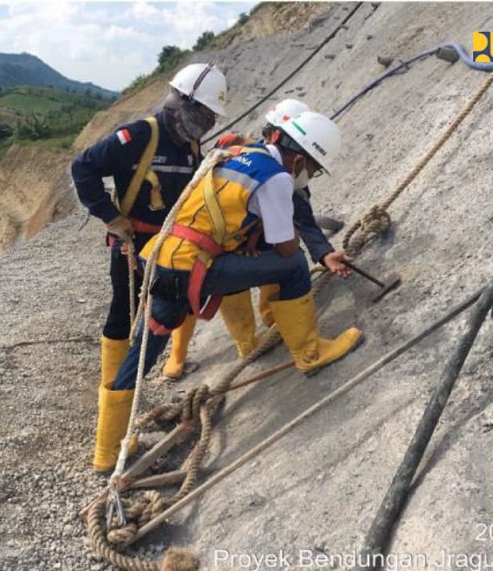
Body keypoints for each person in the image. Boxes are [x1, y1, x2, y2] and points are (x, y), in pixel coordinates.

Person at [92, 111, 364, 472]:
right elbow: (284, 248)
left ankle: (106, 451)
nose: (308, 177)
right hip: (195, 267)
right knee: (294, 265)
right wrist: (292, 239)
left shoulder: (235, 154)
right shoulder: (276, 179)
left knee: (145, 348)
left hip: (162, 260)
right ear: (298, 159)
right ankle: (310, 353)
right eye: (312, 170)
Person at [71, 63, 228, 473]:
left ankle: (174, 360)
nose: (207, 124)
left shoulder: (190, 146)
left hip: (171, 245)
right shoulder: (140, 135)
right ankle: (111, 434)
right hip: (132, 245)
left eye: (212, 119)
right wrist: (109, 216)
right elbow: (83, 167)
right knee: (124, 315)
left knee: (182, 300)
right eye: (205, 115)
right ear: (182, 103)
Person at [214, 99, 351, 358]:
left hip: (237, 239)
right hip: (219, 245)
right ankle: (249, 342)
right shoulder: (262, 167)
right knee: (286, 260)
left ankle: (274, 318)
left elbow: (302, 216)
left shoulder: (277, 170)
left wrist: (323, 253)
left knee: (279, 252)